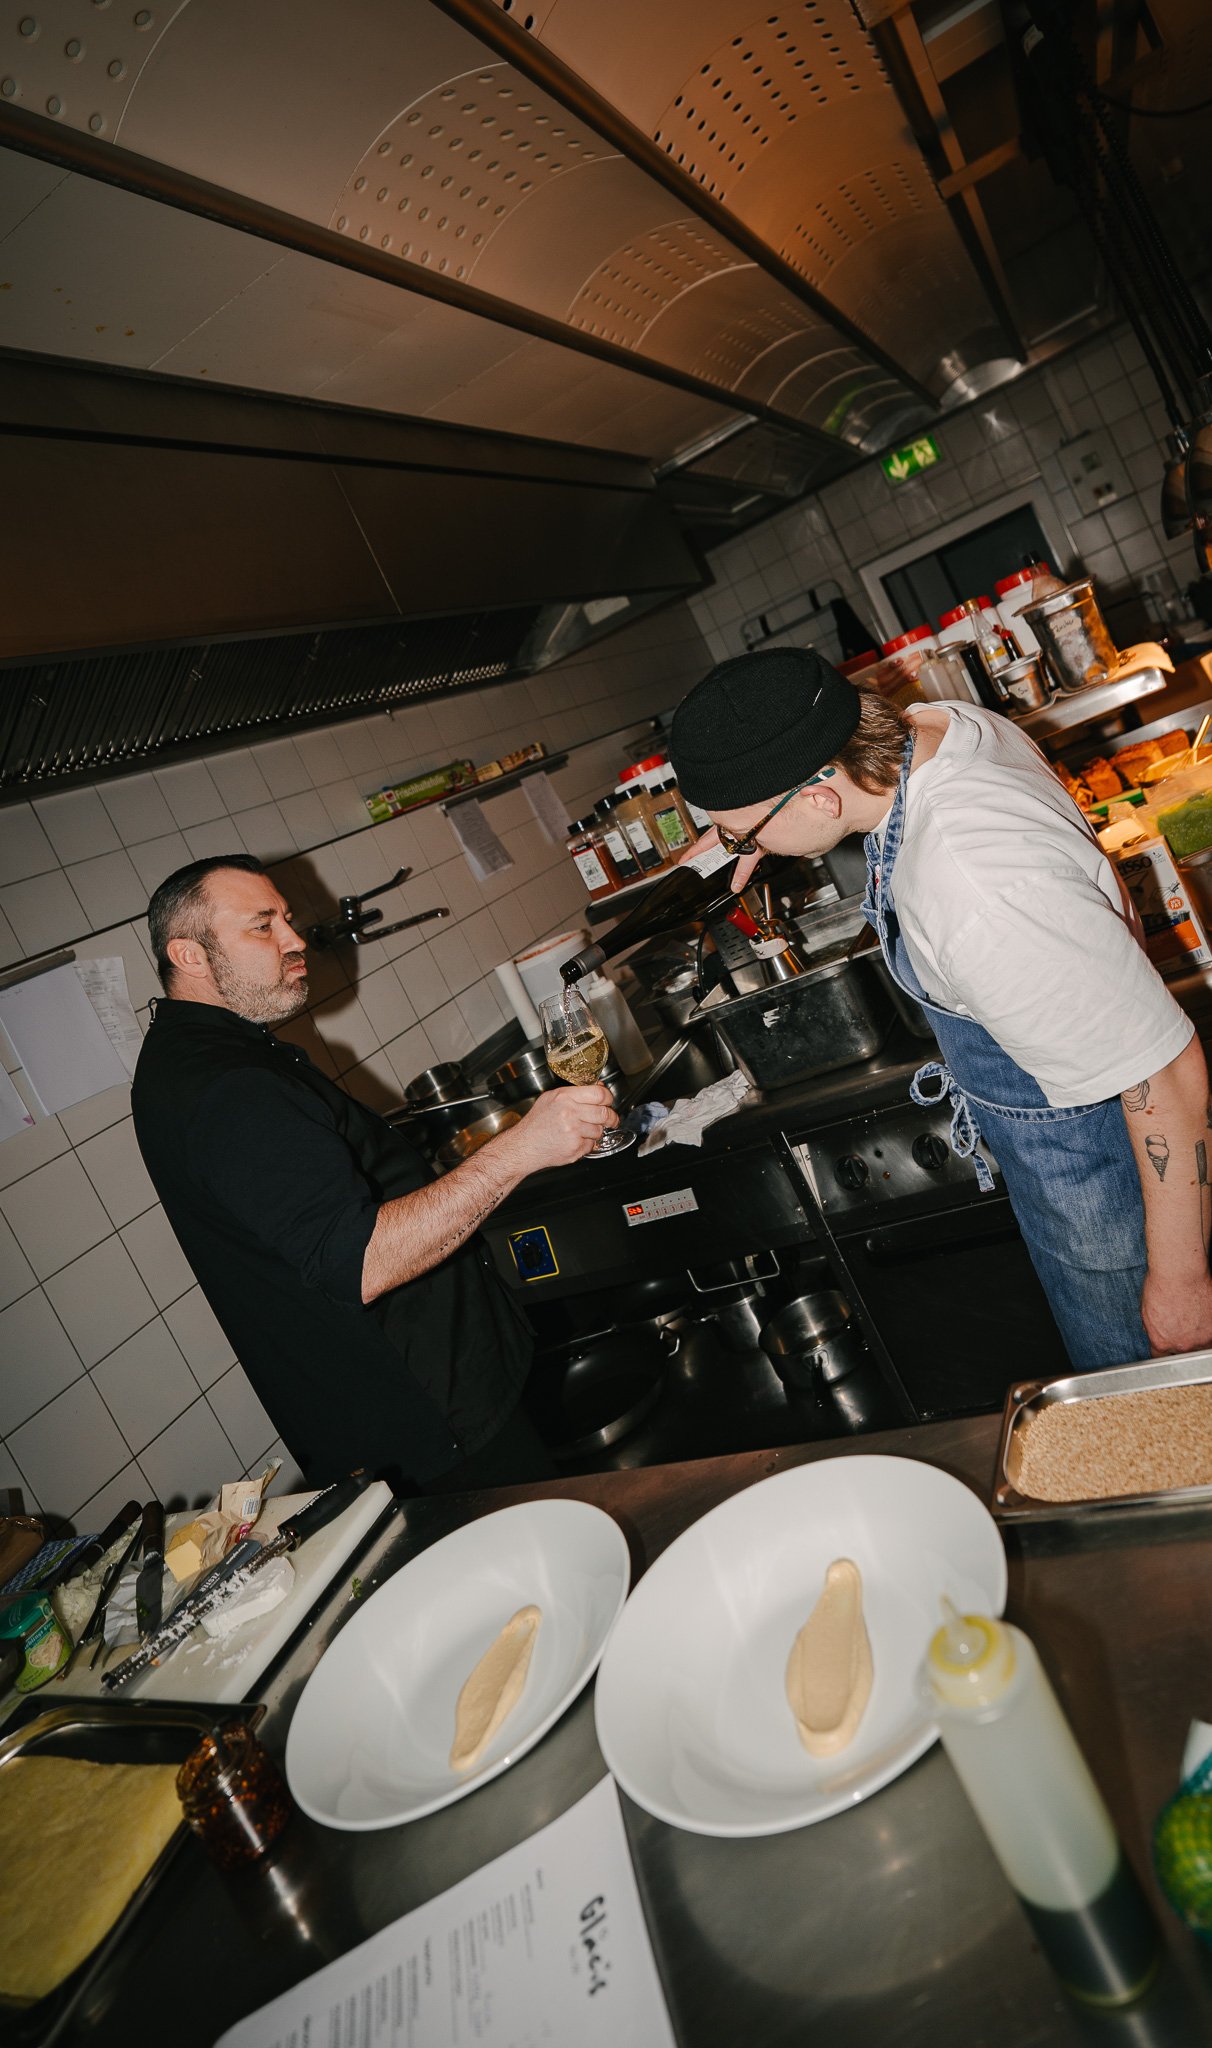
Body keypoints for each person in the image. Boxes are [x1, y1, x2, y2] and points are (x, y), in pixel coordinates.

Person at [668, 647, 1212, 1370]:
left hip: (1114, 1206)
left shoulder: (970, 886)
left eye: (743, 834)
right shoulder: (936, 728)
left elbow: (1165, 1078)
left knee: (1157, 1428)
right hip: (1071, 1161)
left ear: (818, 797)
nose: (745, 851)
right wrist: (747, 831)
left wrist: (1182, 1279)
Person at [131, 856, 616, 1491]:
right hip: (432, 1426)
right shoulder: (227, 1087)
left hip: (428, 1404)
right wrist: (525, 1147)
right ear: (190, 956)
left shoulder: (195, 1056)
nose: (295, 939)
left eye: (287, 919)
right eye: (262, 926)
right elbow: (360, 1262)